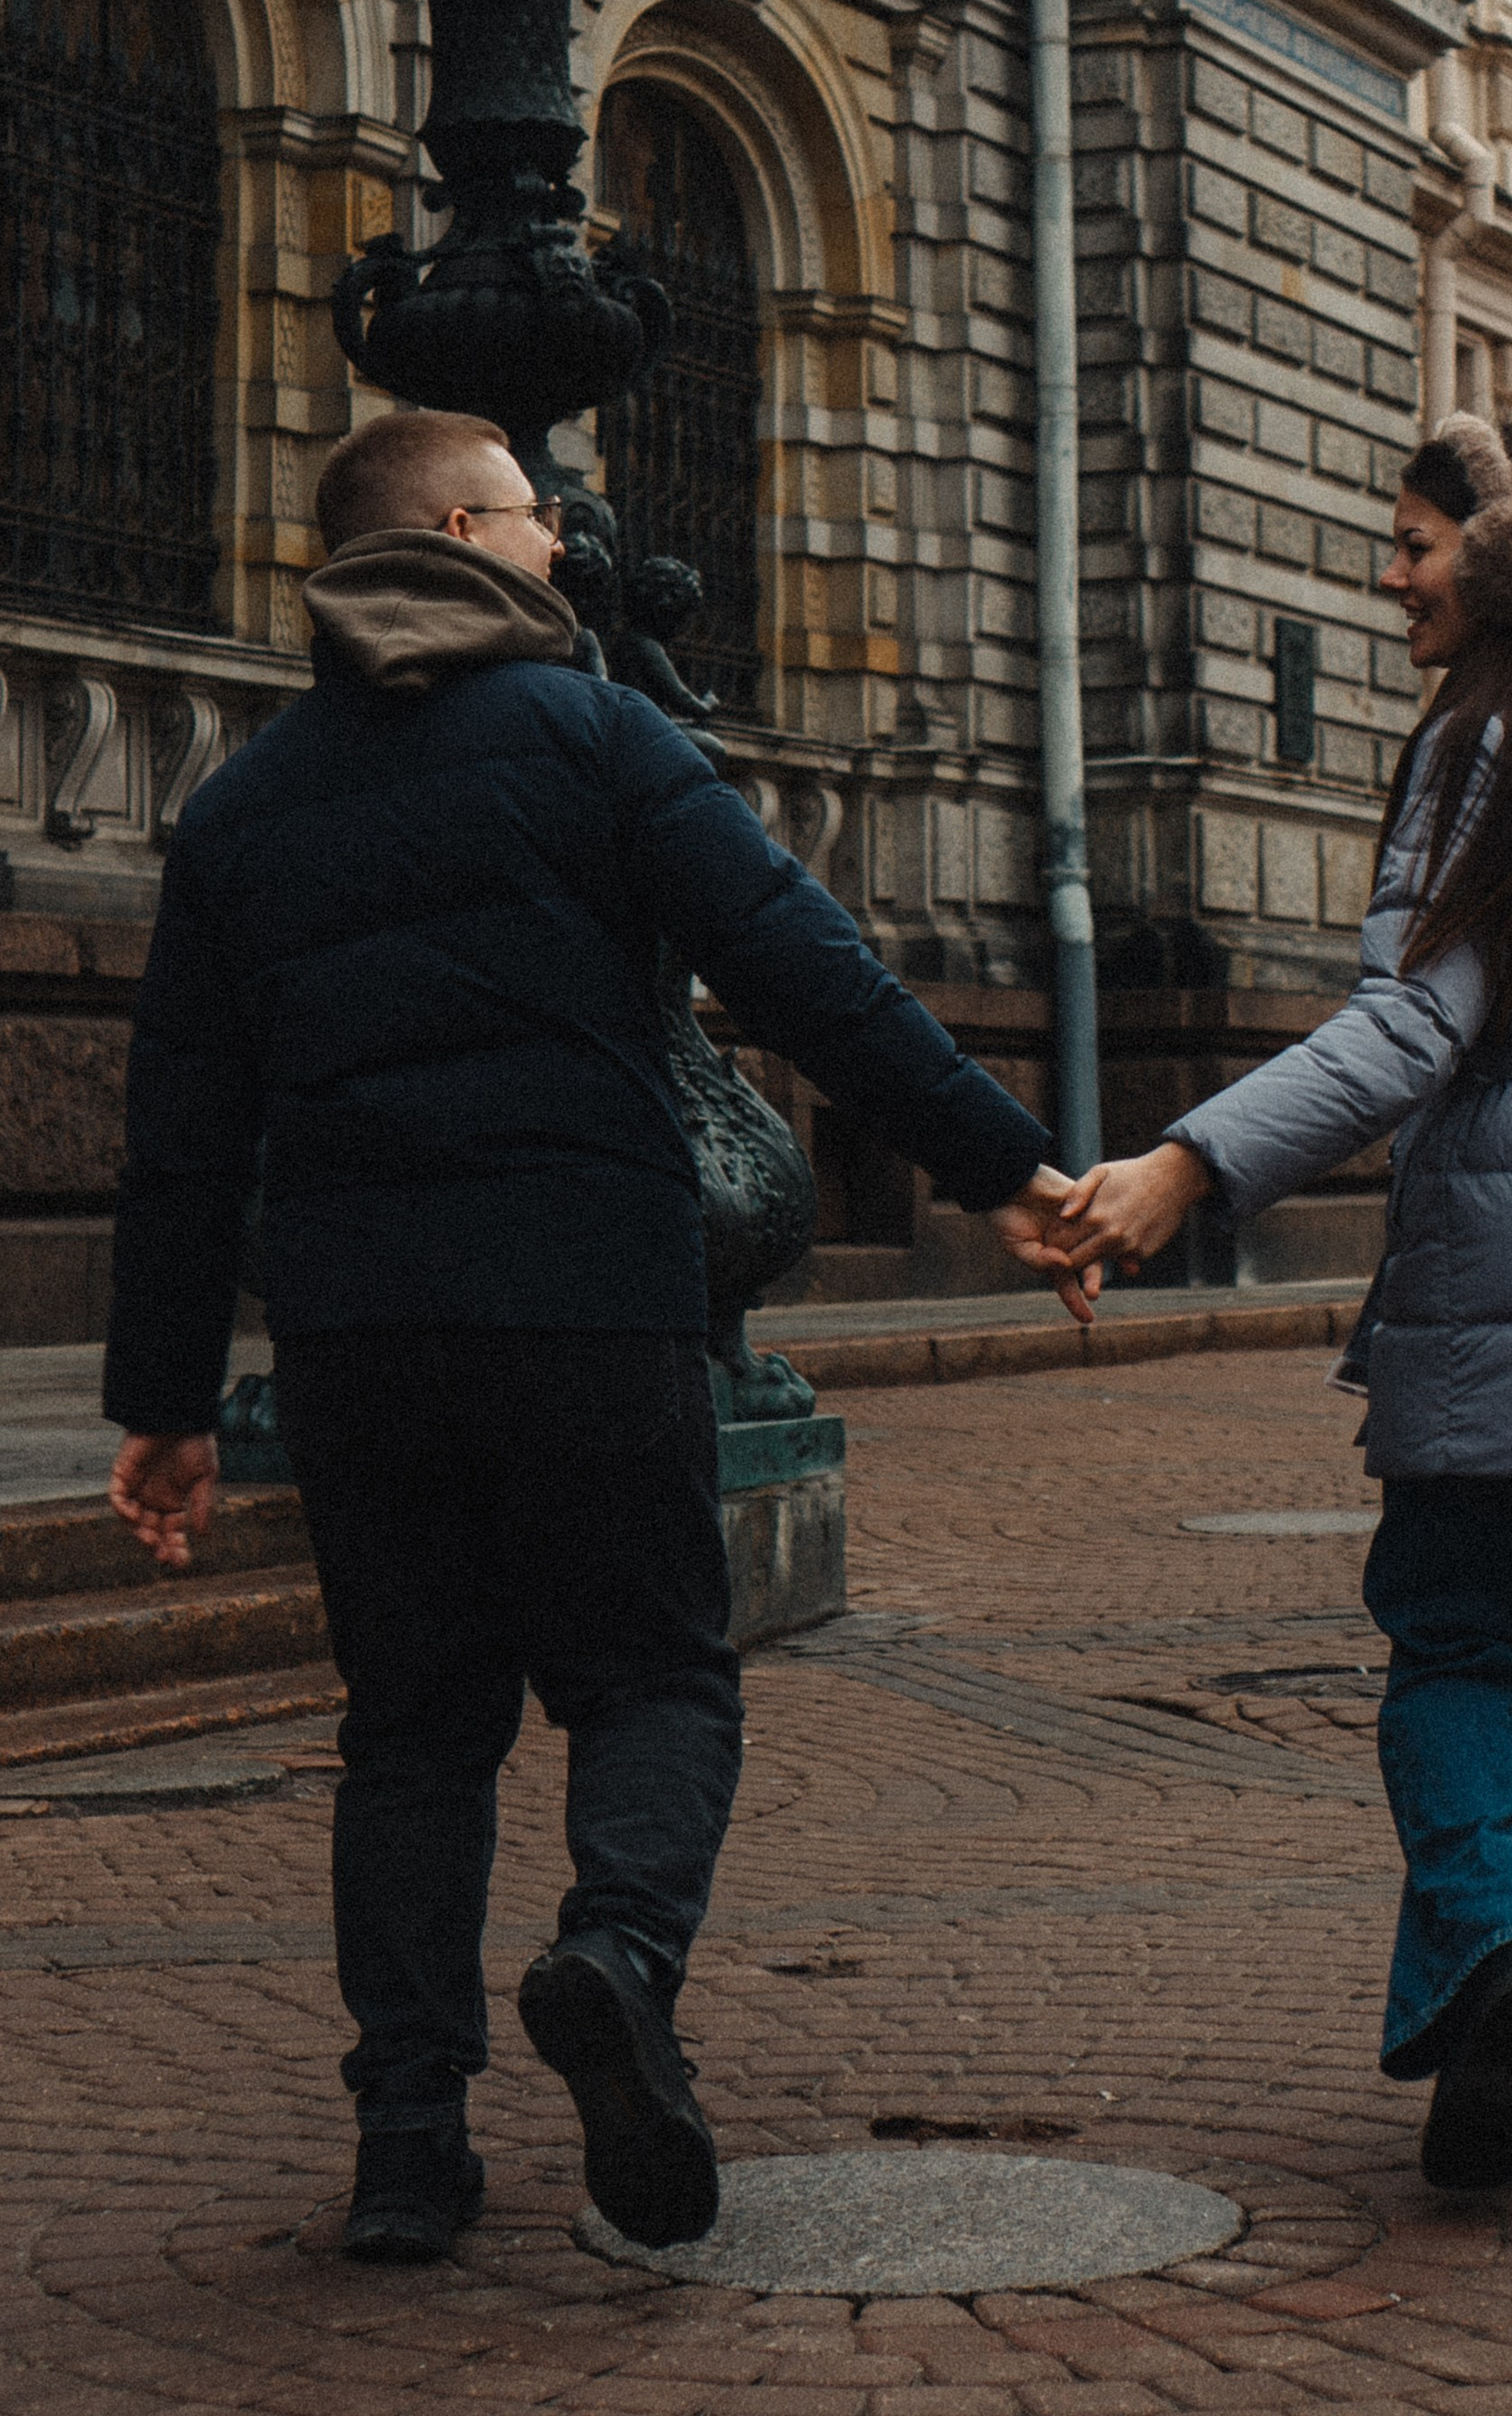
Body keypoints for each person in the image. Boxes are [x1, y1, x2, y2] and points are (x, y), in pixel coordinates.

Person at [104, 409, 1081, 2267]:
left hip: (360, 1334)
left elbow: (179, 1137)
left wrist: (161, 1401)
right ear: (465, 530)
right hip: (584, 1300)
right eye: (544, 519)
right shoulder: (597, 734)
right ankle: (616, 1956)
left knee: (409, 1733)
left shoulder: (240, 810)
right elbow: (812, 972)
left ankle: (407, 2143)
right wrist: (1009, 1171)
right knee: (650, 1681)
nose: (569, 544)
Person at [1055, 410, 1512, 2194]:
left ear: (1504, 550)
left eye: (1414, 542)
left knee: (1457, 1654)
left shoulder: (1492, 741)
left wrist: (1185, 1167)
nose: (1390, 576)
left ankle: (1498, 1950)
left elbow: (1413, 1027)